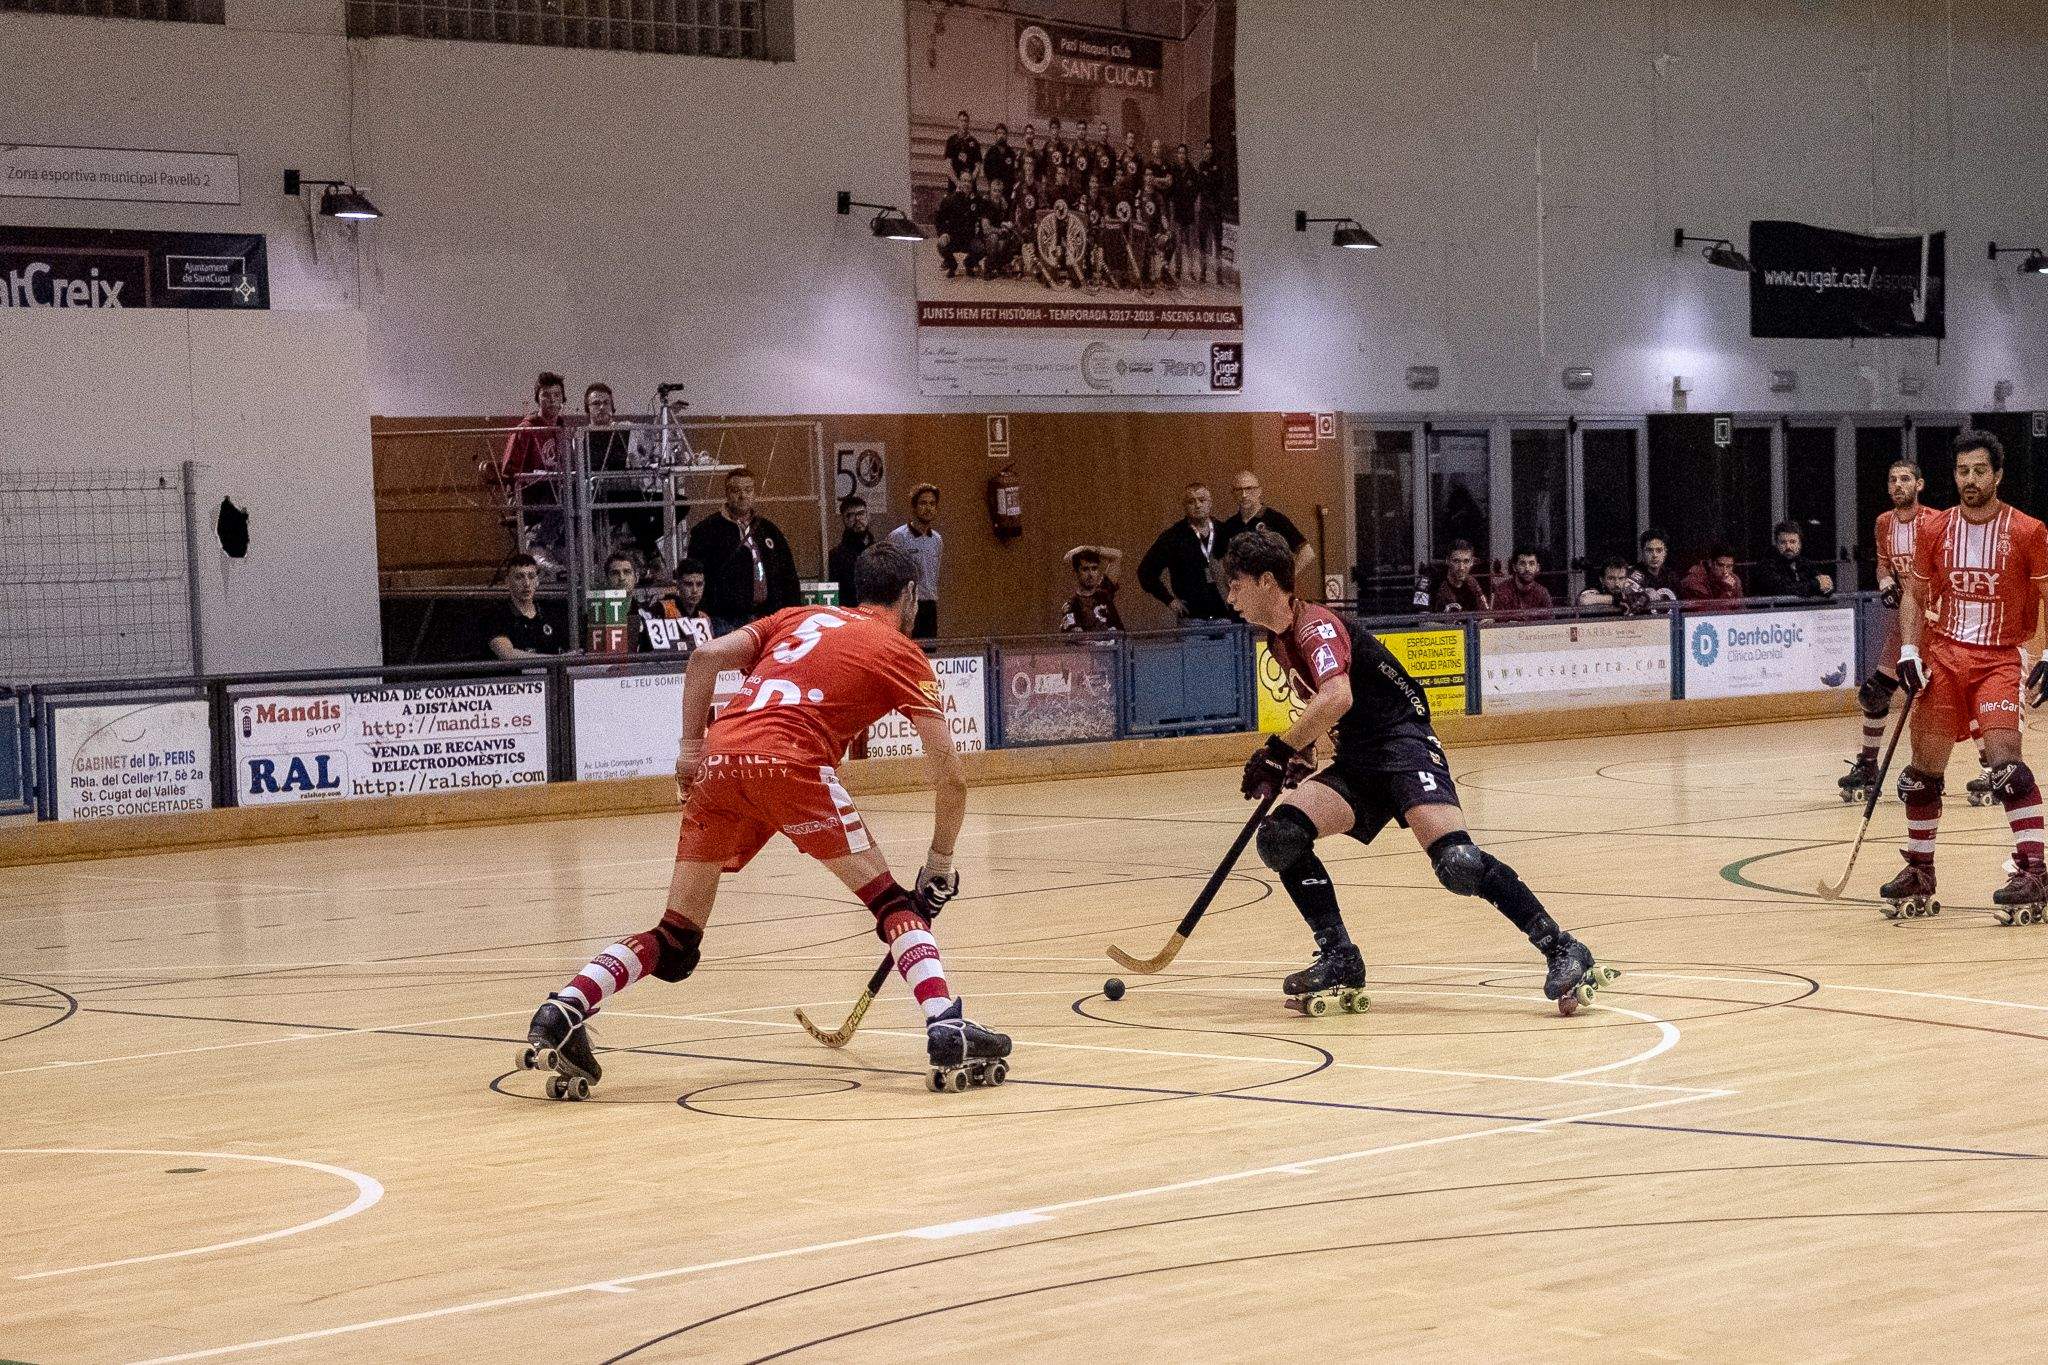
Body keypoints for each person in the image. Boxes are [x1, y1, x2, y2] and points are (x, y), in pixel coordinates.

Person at [520, 542, 1010, 1098]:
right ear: (909, 596)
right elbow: (951, 777)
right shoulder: (900, 651)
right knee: (894, 905)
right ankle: (945, 1025)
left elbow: (704, 658)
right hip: (790, 764)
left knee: (676, 940)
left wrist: (688, 749)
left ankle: (564, 1009)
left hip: (720, 759)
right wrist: (940, 863)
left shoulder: (797, 616)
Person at [1224, 530, 1617, 1015]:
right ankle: (1340, 956)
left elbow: (1337, 696)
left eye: (1236, 584)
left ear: (1267, 582)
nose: (1230, 596)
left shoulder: (1314, 629)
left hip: (1403, 744)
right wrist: (1300, 755)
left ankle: (1562, 947)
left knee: (1458, 864)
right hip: (1360, 758)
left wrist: (1279, 747)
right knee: (1281, 836)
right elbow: (1329, 712)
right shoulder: (1279, 642)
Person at [1881, 431, 2048, 923]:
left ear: (1998, 475)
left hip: (1999, 658)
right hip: (1945, 657)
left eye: (1978, 471)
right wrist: (1910, 651)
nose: (1969, 480)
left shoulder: (2028, 531)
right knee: (1921, 774)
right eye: (1961, 471)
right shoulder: (1935, 528)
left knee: (2004, 764)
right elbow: (1915, 594)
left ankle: (2033, 868)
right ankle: (1920, 869)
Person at [1841, 460, 1933, 801]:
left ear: (1919, 485)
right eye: (1893, 479)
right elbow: (1883, 562)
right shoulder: (1884, 522)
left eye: (1906, 479)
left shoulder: (1934, 521)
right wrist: (1885, 583)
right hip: (1903, 618)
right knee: (1874, 693)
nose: (1898, 485)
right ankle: (1868, 764)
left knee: (1947, 695)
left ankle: (1988, 766)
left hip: (1935, 617)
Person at [691, 466, 801, 632]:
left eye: (748, 490)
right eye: (736, 490)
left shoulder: (768, 529)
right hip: (724, 619)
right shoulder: (707, 531)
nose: (743, 496)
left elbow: (789, 575)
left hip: (767, 616)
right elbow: (695, 574)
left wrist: (794, 613)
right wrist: (701, 610)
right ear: (727, 493)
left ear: (754, 493)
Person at [1138, 483, 1232, 622]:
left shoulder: (1225, 532)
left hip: (1226, 616)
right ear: (1184, 505)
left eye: (1202, 500)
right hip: (1192, 618)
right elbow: (1145, 572)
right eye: (1191, 501)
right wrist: (1169, 600)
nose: (1197, 505)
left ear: (1210, 503)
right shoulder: (1173, 536)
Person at [499, 371, 566, 560]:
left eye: (557, 395)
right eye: (546, 395)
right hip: (527, 494)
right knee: (563, 494)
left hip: (556, 490)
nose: (552, 400)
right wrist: (536, 476)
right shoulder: (526, 429)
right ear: (538, 398)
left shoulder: (563, 429)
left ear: (563, 399)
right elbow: (508, 471)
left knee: (579, 494)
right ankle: (538, 545)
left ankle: (562, 548)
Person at [1218, 471, 1314, 586]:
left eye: (1249, 489)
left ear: (1259, 491)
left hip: (1270, 591)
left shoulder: (1275, 519)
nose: (1244, 495)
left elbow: (1307, 552)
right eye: (1239, 490)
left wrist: (1285, 580)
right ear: (1233, 493)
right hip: (1244, 594)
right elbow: (1221, 560)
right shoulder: (1230, 525)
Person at [888, 483, 944, 639]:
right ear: (914, 507)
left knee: (929, 654)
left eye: (932, 504)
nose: (928, 508)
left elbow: (934, 574)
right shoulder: (898, 537)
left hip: (930, 604)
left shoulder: (937, 539)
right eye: (923, 503)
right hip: (907, 606)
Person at [483, 552, 565, 659]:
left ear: (537, 581)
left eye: (531, 577)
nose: (526, 583)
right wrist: (555, 661)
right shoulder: (497, 615)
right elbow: (507, 654)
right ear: (507, 582)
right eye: (519, 577)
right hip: (516, 675)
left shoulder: (551, 613)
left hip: (552, 674)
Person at [630, 555, 714, 652]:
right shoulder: (662, 609)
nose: (695, 590)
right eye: (688, 584)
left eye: (699, 584)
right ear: (678, 585)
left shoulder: (704, 618)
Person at [1750, 520, 1835, 598]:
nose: (1788, 546)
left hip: (1803, 612)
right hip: (1775, 613)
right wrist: (1815, 585)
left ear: (1800, 544)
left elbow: (1825, 586)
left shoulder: (1806, 563)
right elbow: (1782, 590)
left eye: (1793, 542)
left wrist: (1826, 587)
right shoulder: (1766, 565)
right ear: (1776, 544)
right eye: (1783, 542)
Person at [1059, 546, 1124, 633]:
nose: (1091, 574)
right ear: (1075, 573)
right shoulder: (1071, 605)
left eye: (1094, 568)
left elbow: (1117, 555)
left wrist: (1084, 548)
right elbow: (1077, 639)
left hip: (1119, 645)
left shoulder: (1104, 590)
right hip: (1095, 646)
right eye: (1085, 569)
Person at [826, 494, 874, 600]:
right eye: (850, 515)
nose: (857, 519)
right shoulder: (836, 556)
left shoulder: (880, 551)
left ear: (868, 515)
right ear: (843, 519)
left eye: (861, 513)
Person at [1490, 547, 1554, 612]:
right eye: (1522, 564)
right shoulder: (1503, 590)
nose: (1527, 568)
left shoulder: (1542, 593)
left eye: (1531, 564)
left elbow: (1549, 620)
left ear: (1537, 568)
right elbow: (1499, 619)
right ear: (1514, 567)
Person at [1431, 541, 1488, 612]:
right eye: (1456, 561)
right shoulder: (1432, 582)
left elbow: (1486, 615)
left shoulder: (1472, 583)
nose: (1461, 567)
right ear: (1447, 561)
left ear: (1472, 562)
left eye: (1466, 561)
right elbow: (1421, 620)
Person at [1630, 529, 1682, 602]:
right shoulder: (1632, 575)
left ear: (1665, 553)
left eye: (1659, 550)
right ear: (1642, 552)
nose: (1654, 555)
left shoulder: (1671, 576)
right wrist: (1643, 592)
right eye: (1649, 550)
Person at [1678, 544, 1743, 601]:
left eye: (1729, 566)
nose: (1725, 571)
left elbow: (1742, 610)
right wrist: (1725, 590)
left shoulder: (1734, 580)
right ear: (1710, 563)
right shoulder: (1693, 581)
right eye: (1720, 565)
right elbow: (1707, 612)